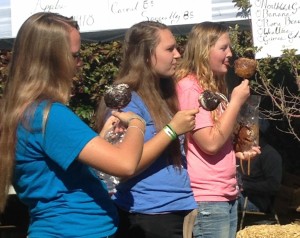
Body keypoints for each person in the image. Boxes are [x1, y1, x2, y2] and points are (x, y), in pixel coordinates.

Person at [0, 12, 146, 238]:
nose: (80, 63)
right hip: (74, 231)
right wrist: (138, 123)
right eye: (74, 55)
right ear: (51, 60)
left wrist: (100, 136)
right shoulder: (49, 115)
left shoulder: (22, 112)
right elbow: (125, 164)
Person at [95, 21, 199, 238]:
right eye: (169, 49)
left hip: (176, 208)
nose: (178, 54)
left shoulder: (163, 94)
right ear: (145, 54)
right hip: (148, 215)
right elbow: (124, 164)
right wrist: (171, 130)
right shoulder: (126, 101)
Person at [175, 21, 260, 238]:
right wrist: (235, 103)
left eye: (229, 47)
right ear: (204, 51)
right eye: (223, 48)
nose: (230, 54)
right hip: (207, 196)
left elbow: (217, 139)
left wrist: (235, 151)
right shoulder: (190, 88)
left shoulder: (211, 87)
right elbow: (210, 143)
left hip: (225, 192)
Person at [237, 128, 283, 213]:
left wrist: (244, 186)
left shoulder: (270, 154)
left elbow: (273, 185)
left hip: (256, 200)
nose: (242, 141)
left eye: (246, 138)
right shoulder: (240, 152)